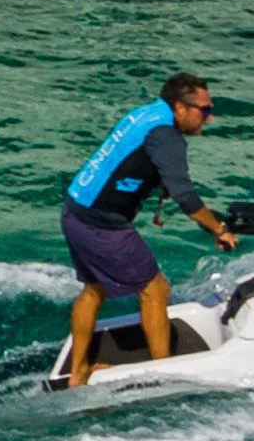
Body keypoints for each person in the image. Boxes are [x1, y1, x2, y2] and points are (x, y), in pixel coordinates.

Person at [63, 71, 241, 384]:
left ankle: (77, 373)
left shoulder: (147, 114)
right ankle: (166, 376)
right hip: (102, 224)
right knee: (155, 290)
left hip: (75, 211)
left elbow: (130, 157)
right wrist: (219, 229)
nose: (209, 119)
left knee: (94, 289)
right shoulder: (166, 135)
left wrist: (156, 180)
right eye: (205, 111)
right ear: (180, 108)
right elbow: (186, 197)